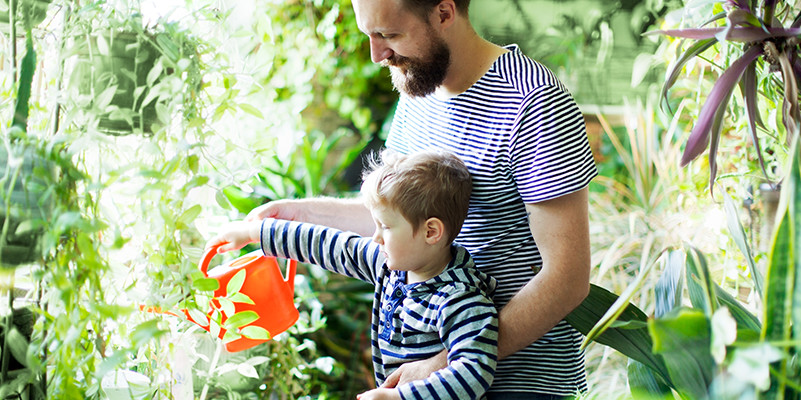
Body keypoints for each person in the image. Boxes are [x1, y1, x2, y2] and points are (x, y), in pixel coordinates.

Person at [247, 0, 597, 397]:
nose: (377, 55)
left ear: (444, 13)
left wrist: (446, 363)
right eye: (370, 36)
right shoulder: (418, 91)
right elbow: (394, 218)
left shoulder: (535, 103)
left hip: (520, 384)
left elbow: (567, 279)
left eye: (390, 35)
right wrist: (294, 213)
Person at [208, 150, 499, 400]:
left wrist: (401, 397)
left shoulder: (459, 299)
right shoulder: (391, 268)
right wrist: (256, 232)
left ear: (431, 232)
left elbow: (474, 370)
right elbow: (329, 245)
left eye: (385, 226)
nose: (375, 238)